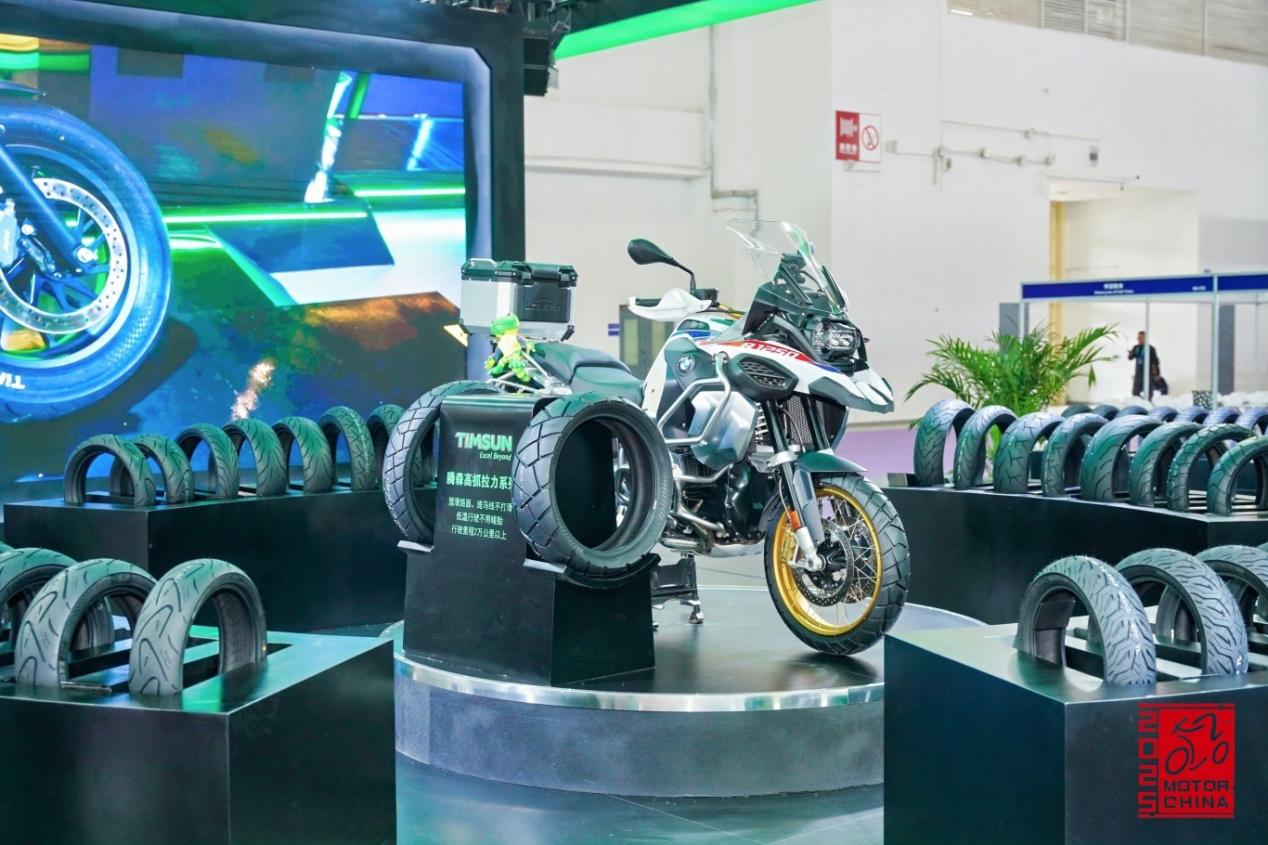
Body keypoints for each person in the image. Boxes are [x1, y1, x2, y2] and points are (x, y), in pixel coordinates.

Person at [1128, 331, 1167, 398]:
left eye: (1141, 337)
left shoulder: (1151, 348)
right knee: (1135, 393)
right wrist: (1131, 353)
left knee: (1149, 393)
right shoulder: (1136, 347)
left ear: (1145, 338)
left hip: (1148, 374)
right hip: (1138, 374)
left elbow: (1155, 362)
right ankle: (1141, 402)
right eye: (1138, 337)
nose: (1139, 339)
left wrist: (1157, 374)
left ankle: (1148, 403)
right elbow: (1130, 358)